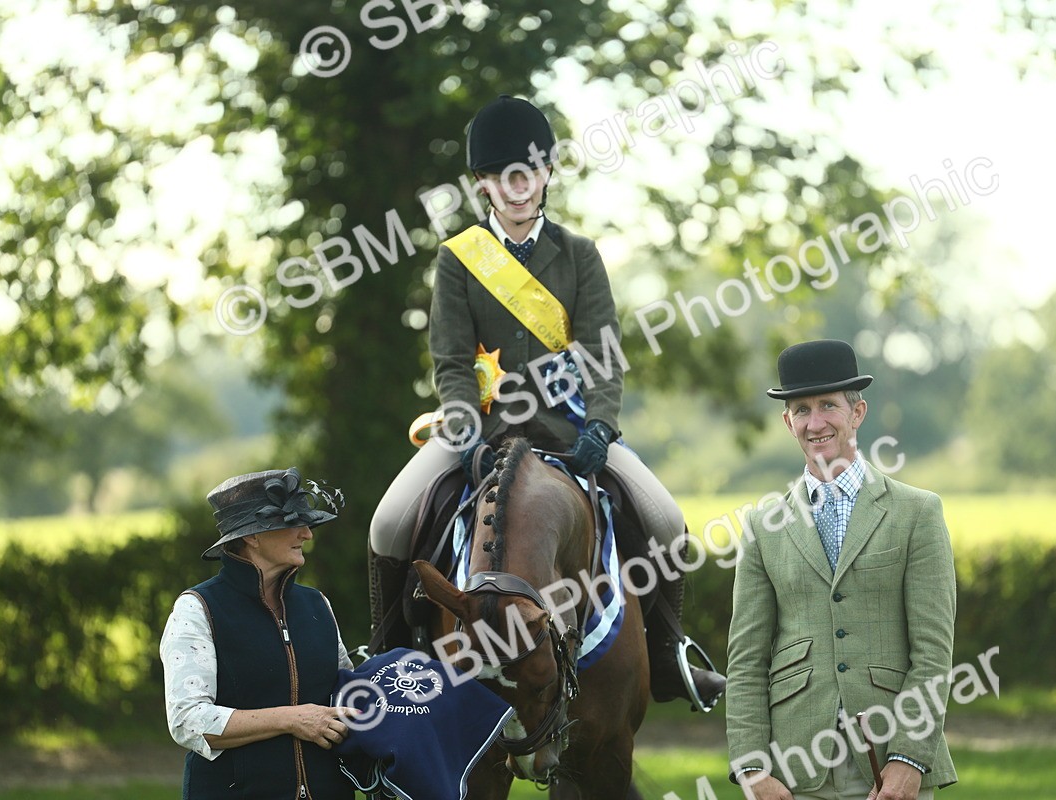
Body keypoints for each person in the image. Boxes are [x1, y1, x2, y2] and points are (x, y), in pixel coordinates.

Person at [370, 94, 725, 711]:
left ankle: (668, 653)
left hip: (572, 430)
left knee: (667, 520)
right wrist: (467, 435)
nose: (515, 187)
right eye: (500, 175)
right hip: (479, 432)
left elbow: (603, 356)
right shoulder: (458, 260)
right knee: (388, 521)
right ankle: (388, 654)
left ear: (546, 175)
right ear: (482, 184)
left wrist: (602, 428)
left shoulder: (579, 255)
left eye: (526, 173)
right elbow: (451, 362)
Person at [726, 340, 957, 800]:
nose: (815, 423)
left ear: (858, 412)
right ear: (788, 421)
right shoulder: (761, 527)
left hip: (889, 765)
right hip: (793, 772)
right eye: (802, 409)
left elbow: (933, 652)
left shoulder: (918, 513)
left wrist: (910, 759)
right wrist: (752, 768)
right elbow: (746, 662)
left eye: (828, 405)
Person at [160, 467, 357, 799]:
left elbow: (345, 693)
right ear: (252, 536)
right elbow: (188, 720)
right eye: (294, 523)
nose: (307, 534)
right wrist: (292, 719)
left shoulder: (318, 604)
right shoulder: (198, 608)